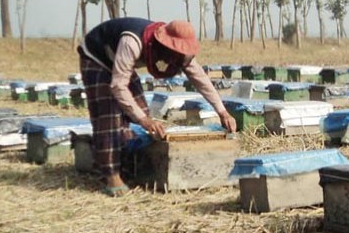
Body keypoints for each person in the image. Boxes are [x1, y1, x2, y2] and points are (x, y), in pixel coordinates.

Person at [78, 17, 237, 196]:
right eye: (173, 56)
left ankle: (126, 164)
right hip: (96, 57)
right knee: (109, 116)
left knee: (139, 109)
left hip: (119, 63)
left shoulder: (180, 54)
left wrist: (222, 111)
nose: (176, 61)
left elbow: (200, 79)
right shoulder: (132, 42)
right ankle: (111, 175)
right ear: (163, 47)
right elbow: (118, 86)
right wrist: (144, 120)